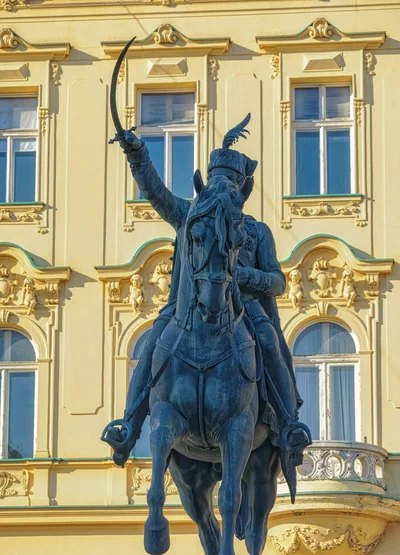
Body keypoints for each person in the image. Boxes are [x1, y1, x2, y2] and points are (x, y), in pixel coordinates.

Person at [102, 115, 311, 472]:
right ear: (205, 183)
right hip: (190, 306)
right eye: (215, 179)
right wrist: (137, 153)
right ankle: (129, 424)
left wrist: (246, 276)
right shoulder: (189, 216)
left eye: (229, 181)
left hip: (243, 309)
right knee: (154, 339)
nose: (221, 186)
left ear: (242, 188)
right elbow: (155, 192)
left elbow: (278, 282)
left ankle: (289, 424)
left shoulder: (256, 231)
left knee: (269, 339)